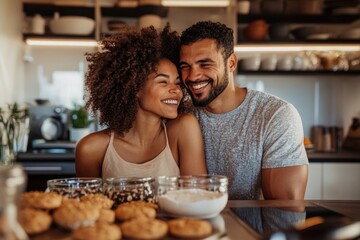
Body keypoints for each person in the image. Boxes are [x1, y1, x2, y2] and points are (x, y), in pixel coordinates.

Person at [178, 21, 308, 200]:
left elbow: (284, 208)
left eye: (205, 64)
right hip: (197, 225)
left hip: (255, 228)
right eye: (185, 66)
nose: (192, 76)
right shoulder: (180, 113)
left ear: (231, 63)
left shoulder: (275, 115)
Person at [75, 24, 207, 179]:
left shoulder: (183, 128)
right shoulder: (91, 149)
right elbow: (89, 203)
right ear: (135, 87)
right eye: (163, 82)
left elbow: (197, 197)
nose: (177, 91)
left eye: (177, 83)